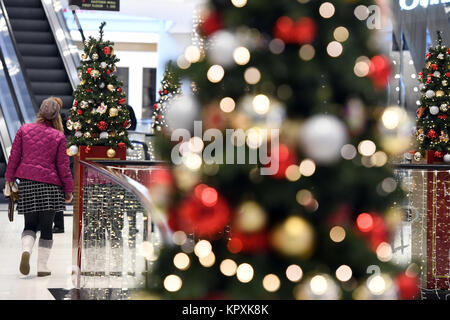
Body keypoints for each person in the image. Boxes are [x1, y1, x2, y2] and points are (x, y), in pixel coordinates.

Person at [5, 97, 73, 277]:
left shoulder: (24, 130)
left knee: (29, 225)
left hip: (27, 183)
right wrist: (68, 190)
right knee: (47, 227)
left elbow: (14, 157)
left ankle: (26, 251)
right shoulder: (59, 136)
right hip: (51, 186)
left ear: (40, 112)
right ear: (57, 115)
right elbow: (63, 166)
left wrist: (9, 179)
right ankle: (42, 267)